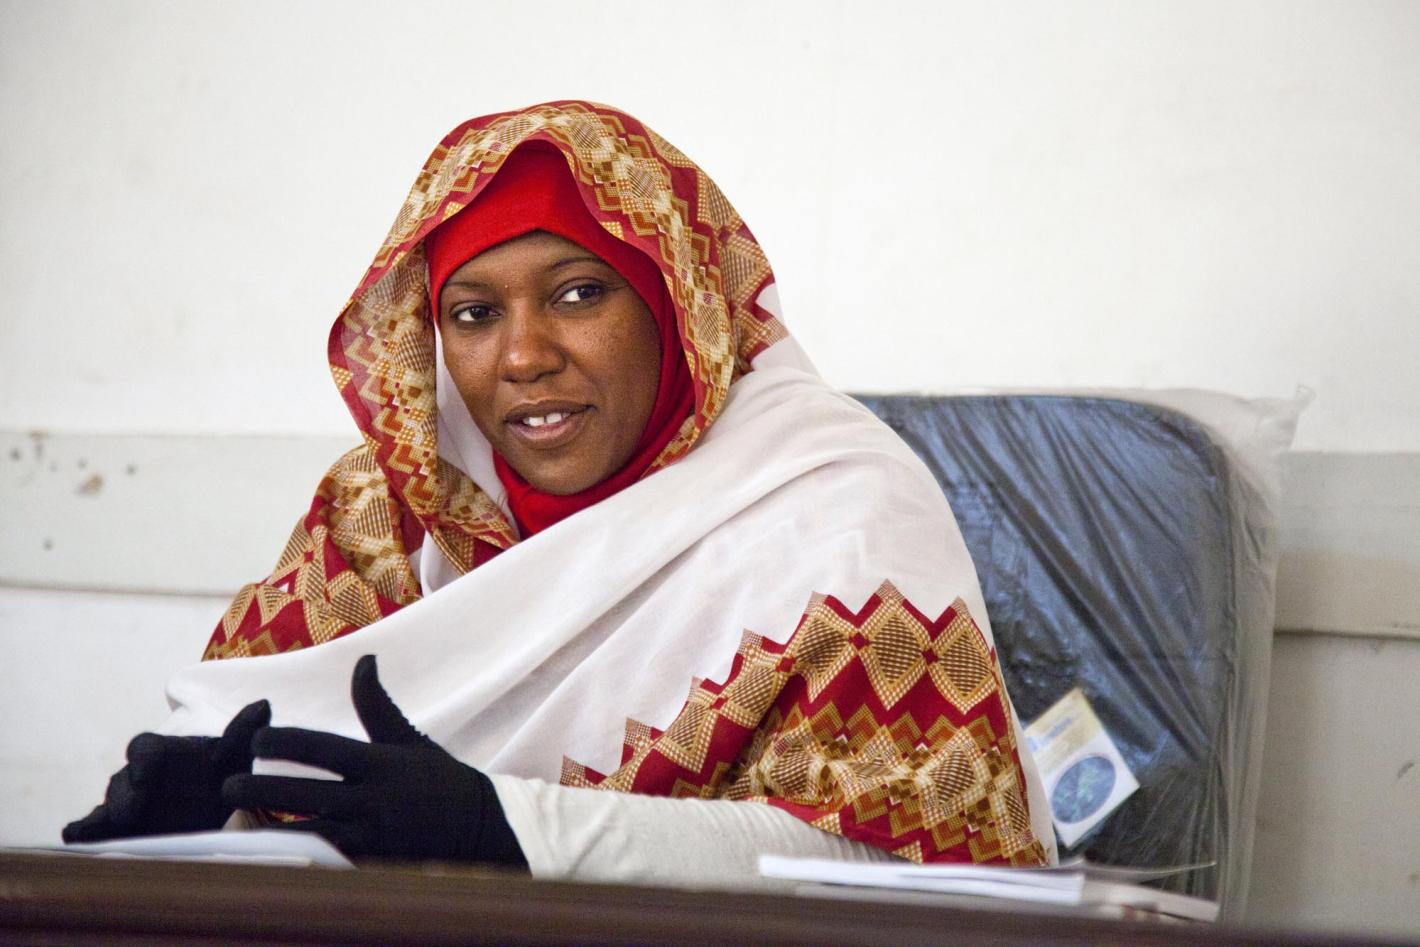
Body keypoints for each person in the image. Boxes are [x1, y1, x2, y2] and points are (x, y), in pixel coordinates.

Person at [63, 101, 1056, 885]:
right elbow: (282, 768)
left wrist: (514, 829)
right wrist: (208, 811)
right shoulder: (391, 511)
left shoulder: (839, 511)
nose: (523, 356)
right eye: (474, 313)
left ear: (677, 304)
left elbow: (929, 865)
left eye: (580, 292)